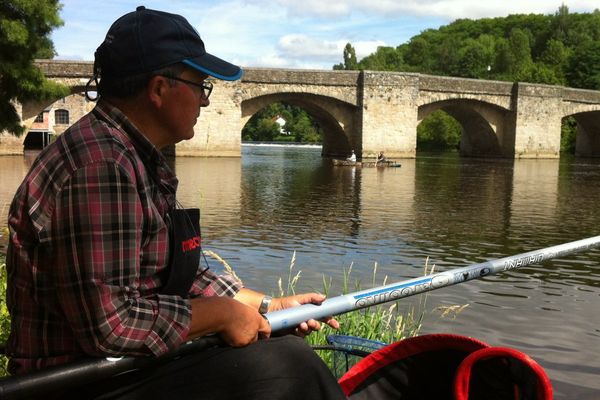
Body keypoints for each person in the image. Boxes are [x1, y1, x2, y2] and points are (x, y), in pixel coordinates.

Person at [5, 7, 346, 400]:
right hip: (78, 382)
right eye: (199, 84)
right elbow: (112, 326)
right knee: (287, 368)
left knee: (280, 352)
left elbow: (171, 273)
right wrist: (222, 314)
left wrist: (269, 305)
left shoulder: (132, 155)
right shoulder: (102, 165)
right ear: (159, 88)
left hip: (120, 370)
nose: (204, 101)